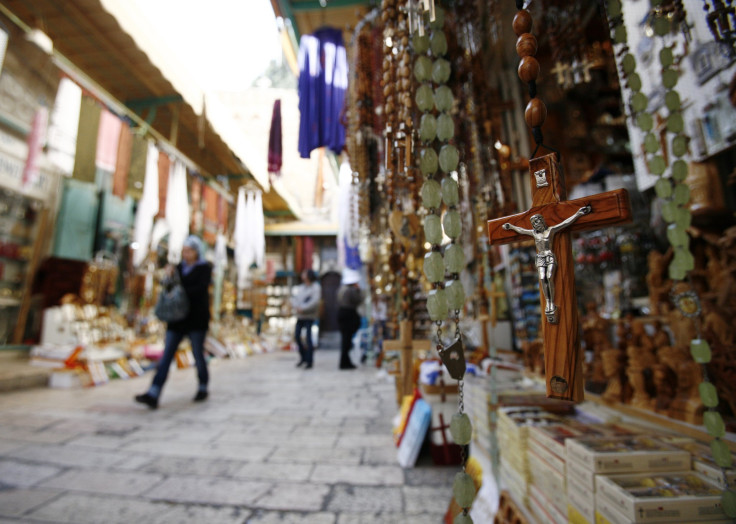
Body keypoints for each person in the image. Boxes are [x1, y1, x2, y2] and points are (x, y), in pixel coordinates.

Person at [135, 235, 212, 409]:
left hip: (196, 321)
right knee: (166, 357)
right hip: (177, 320)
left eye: (189, 251)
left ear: (196, 252)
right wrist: (168, 276)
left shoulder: (204, 269)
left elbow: (199, 290)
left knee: (198, 355)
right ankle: (154, 392)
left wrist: (180, 284)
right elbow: (168, 289)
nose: (186, 254)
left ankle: (202, 386)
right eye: (184, 251)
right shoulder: (177, 268)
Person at [502, 205, 591, 323]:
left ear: (542, 222)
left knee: (549, 277)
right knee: (542, 278)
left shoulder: (550, 230)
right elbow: (521, 230)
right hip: (540, 257)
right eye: (534, 223)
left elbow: (564, 223)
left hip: (549, 256)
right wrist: (511, 226)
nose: (536, 225)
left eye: (537, 222)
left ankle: (551, 303)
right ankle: (548, 302)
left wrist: (578, 214)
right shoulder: (534, 234)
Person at [292, 269, 321, 369]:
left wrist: (303, 308)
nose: (302, 275)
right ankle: (303, 357)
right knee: (297, 336)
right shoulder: (301, 287)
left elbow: (315, 301)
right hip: (300, 316)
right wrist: (296, 307)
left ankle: (309, 360)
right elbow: (295, 299)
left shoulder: (315, 287)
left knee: (308, 339)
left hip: (309, 316)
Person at [337, 268, 363, 370]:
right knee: (346, 341)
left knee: (345, 340)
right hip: (348, 315)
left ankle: (345, 362)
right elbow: (358, 300)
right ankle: (345, 363)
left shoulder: (341, 289)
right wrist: (358, 291)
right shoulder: (351, 290)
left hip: (343, 314)